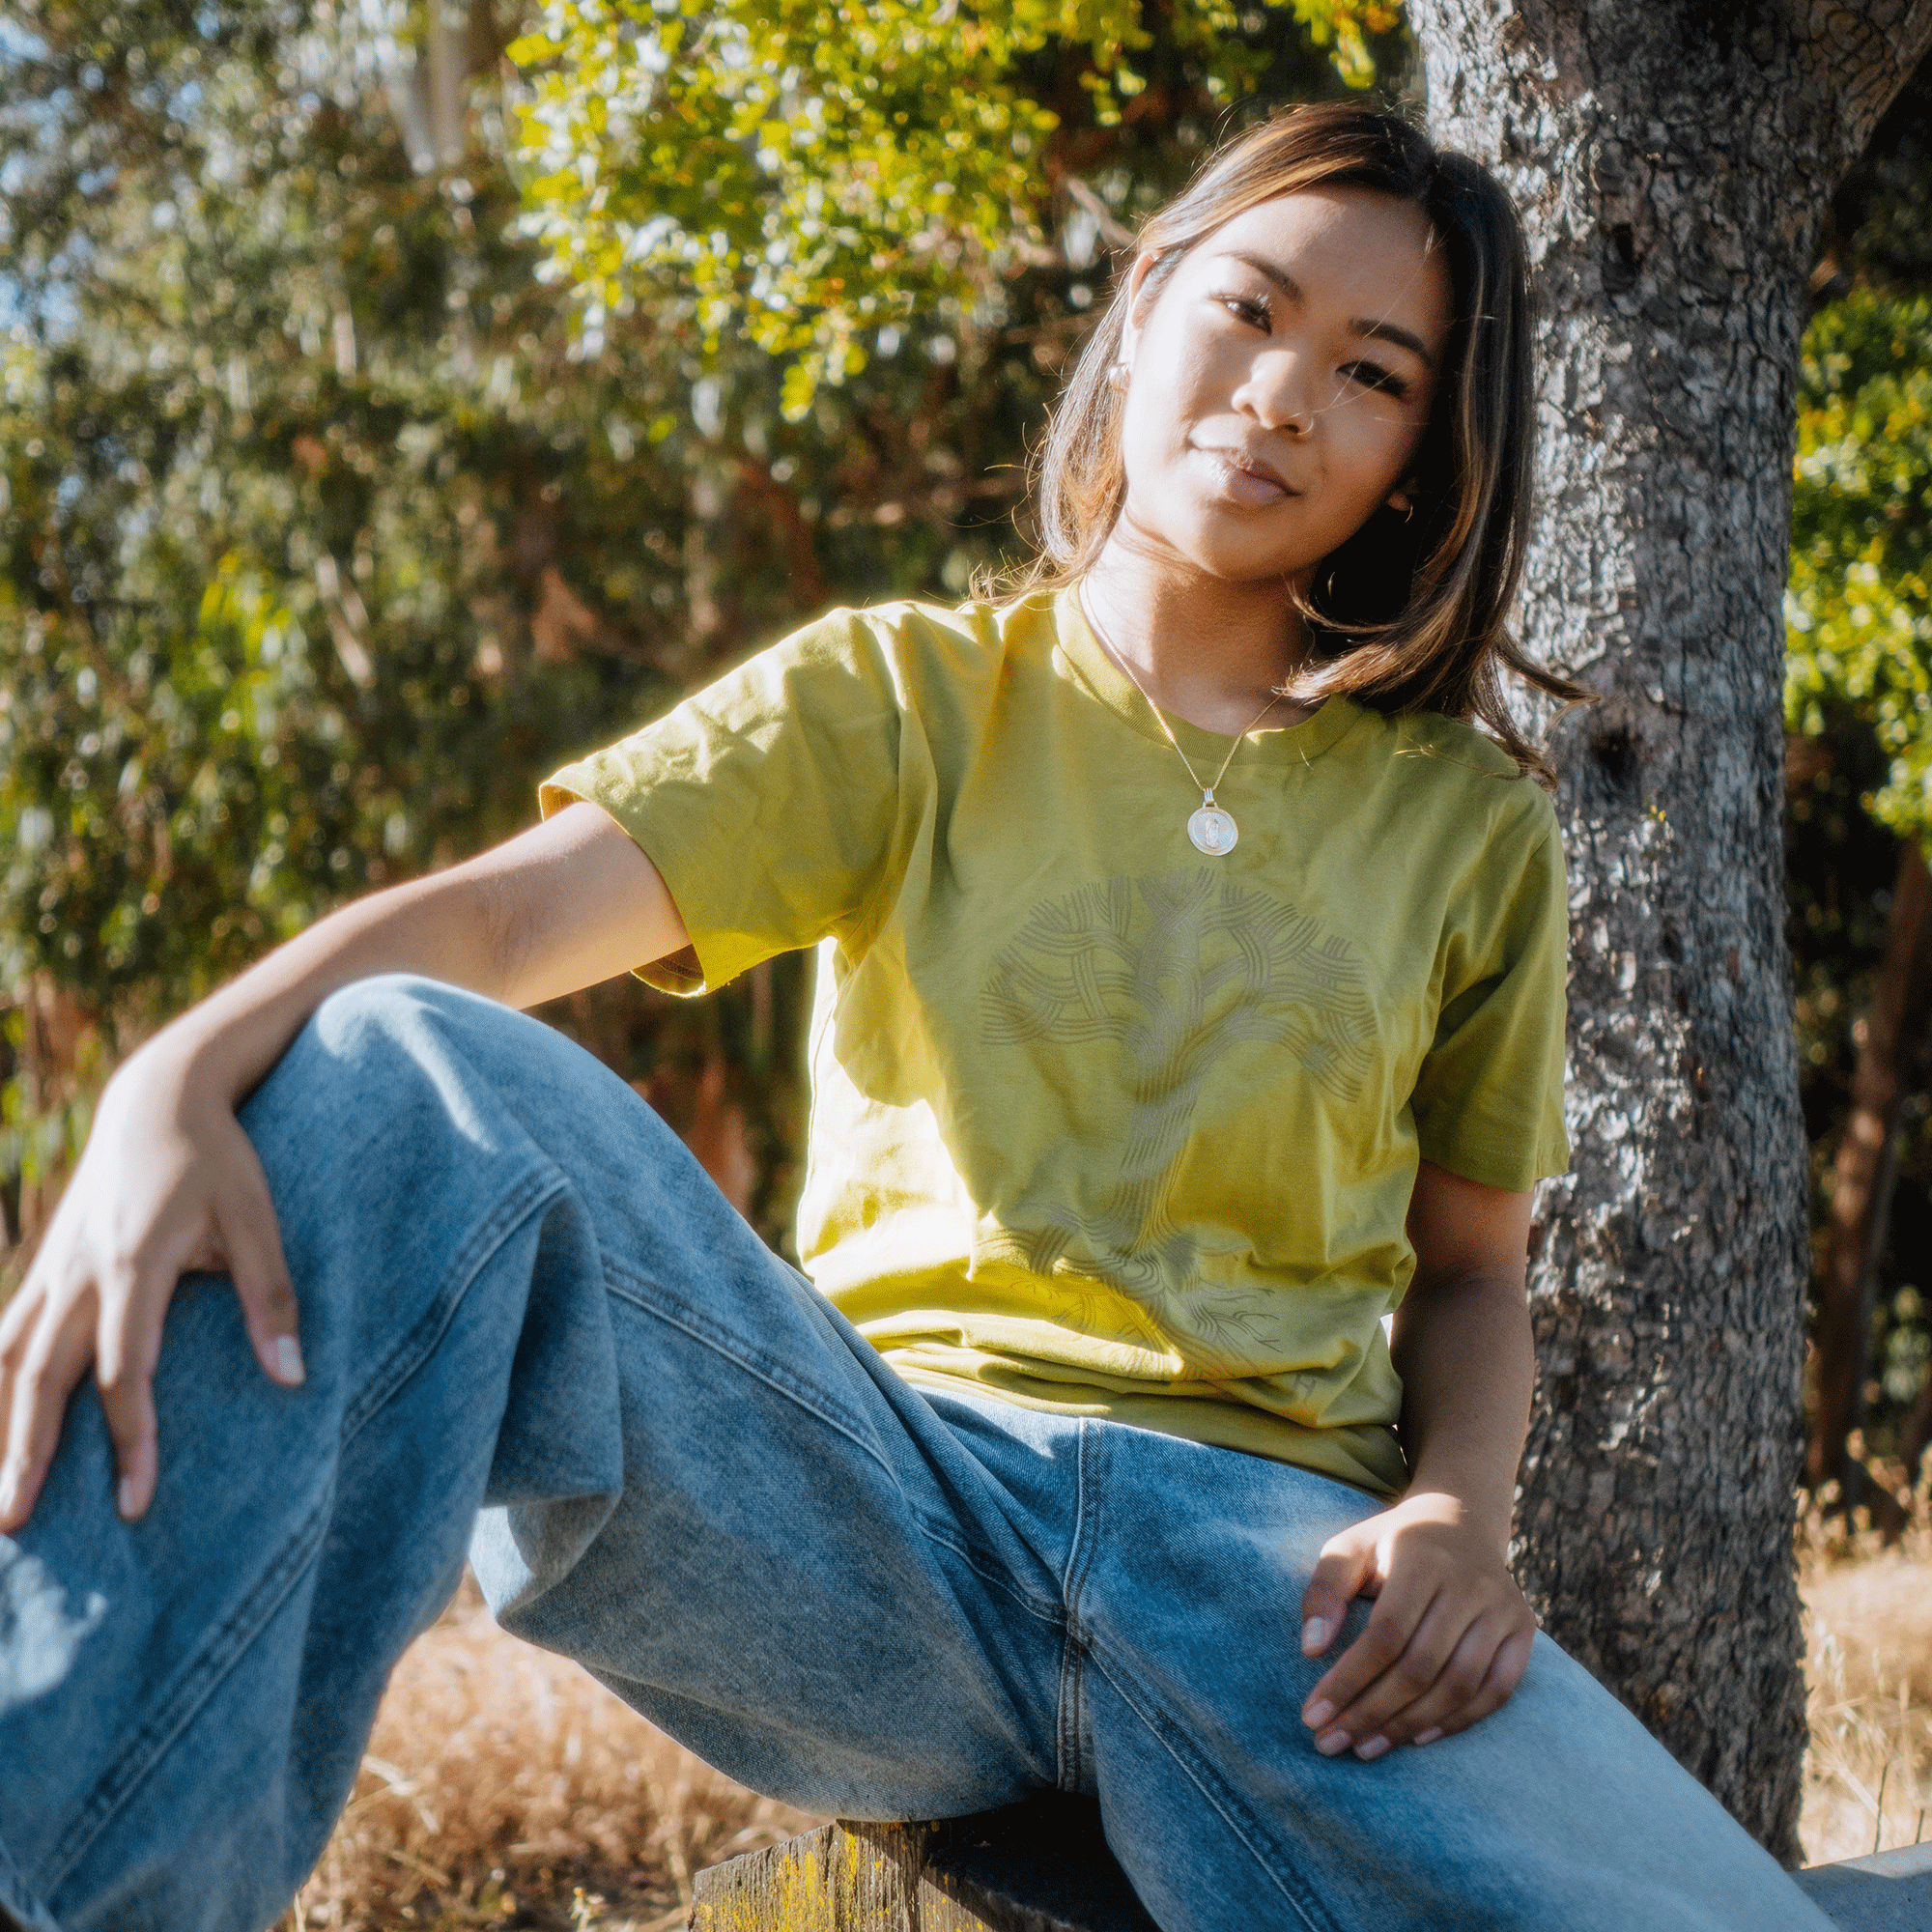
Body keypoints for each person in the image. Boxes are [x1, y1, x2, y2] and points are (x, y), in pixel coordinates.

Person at [0, 103, 1831, 1932]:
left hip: (1284, 1588)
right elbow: (497, 921)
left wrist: (1457, 1520)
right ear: (1144, 302)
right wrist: (171, 1074)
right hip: (876, 1514)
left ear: (1424, 458)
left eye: (1371, 373)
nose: (1282, 395)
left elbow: (1471, 1274)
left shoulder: (1467, 827)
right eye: (1251, 309)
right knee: (399, 1074)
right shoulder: (902, 699)